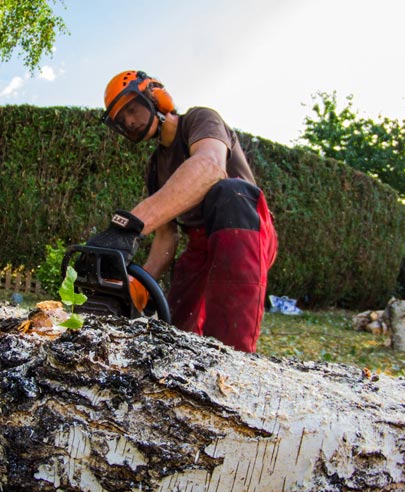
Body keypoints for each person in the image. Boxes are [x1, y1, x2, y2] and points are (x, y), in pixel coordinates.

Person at [85, 70, 277, 353]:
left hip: (244, 228)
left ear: (155, 96)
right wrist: (137, 284)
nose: (129, 121)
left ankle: (233, 361)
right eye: (121, 119)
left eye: (131, 108)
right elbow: (166, 237)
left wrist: (128, 225)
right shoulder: (155, 168)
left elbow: (211, 167)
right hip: (200, 243)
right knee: (177, 331)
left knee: (227, 191)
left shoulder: (199, 120)